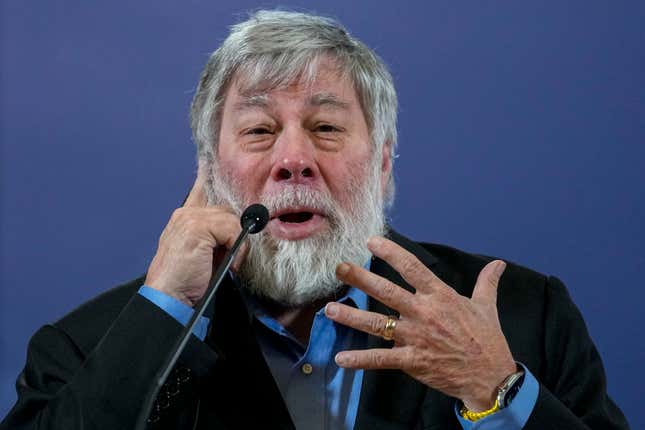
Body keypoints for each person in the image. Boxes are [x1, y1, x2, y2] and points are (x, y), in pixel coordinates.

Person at [1, 10, 629, 430]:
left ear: (382, 164)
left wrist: (499, 391)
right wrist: (161, 311)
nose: (293, 160)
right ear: (210, 171)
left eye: (327, 128)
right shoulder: (86, 347)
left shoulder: (527, 319)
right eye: (259, 131)